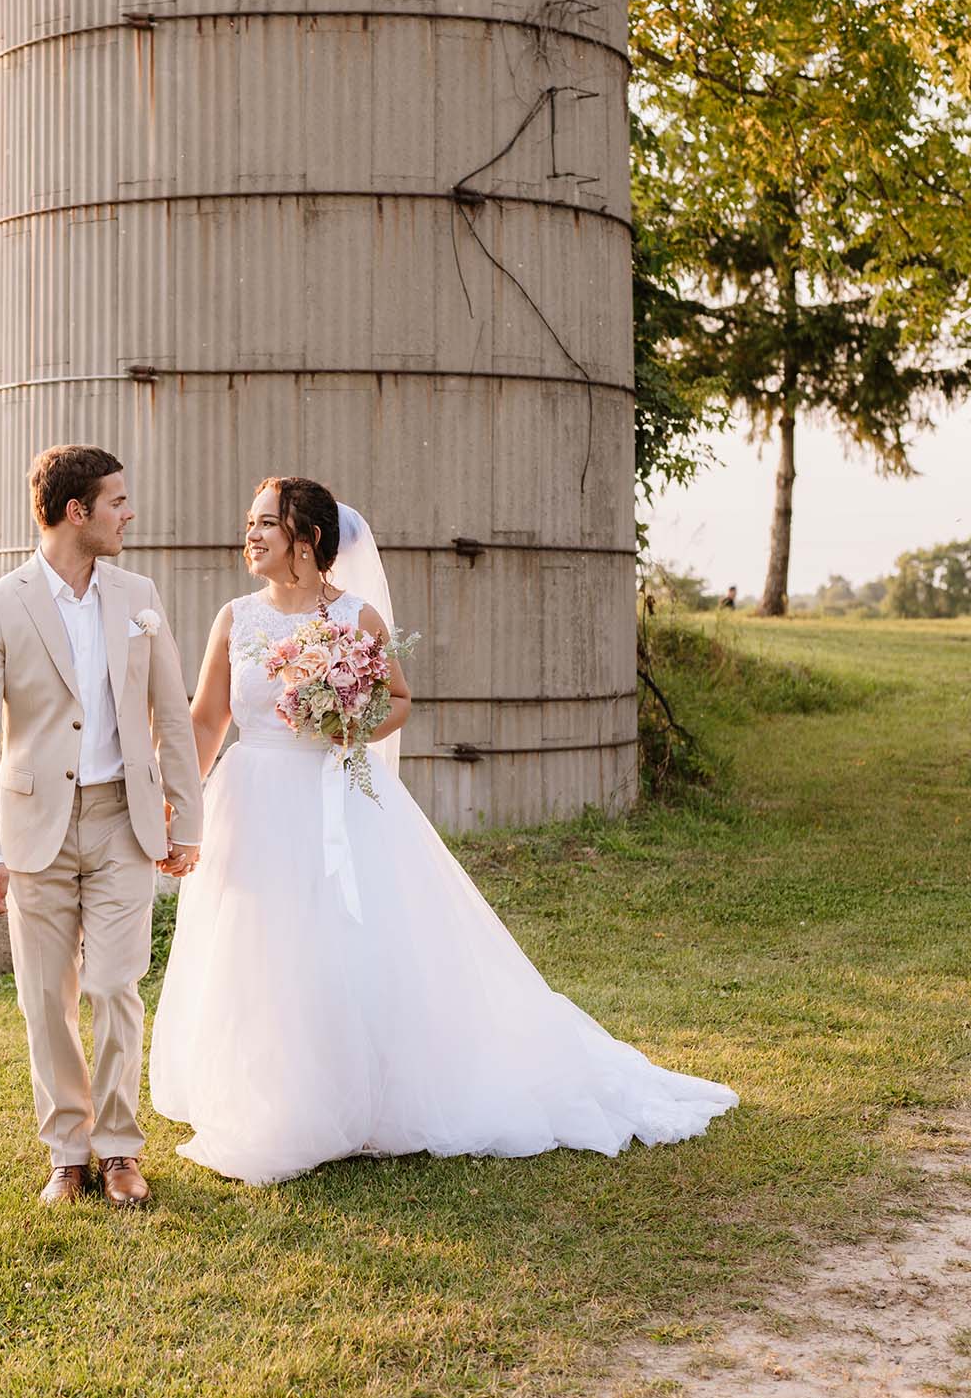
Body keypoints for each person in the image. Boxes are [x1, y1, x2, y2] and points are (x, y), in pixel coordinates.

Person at [148, 475, 738, 1185]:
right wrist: (176, 796)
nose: (249, 534)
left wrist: (344, 721)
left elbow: (397, 699)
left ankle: (353, 1095)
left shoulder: (357, 617)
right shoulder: (234, 617)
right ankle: (263, 1088)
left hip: (336, 800)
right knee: (259, 943)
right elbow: (208, 716)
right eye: (249, 521)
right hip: (253, 798)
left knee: (343, 942)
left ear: (305, 538)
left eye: (264, 523)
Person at [0, 445, 206, 1207]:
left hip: (123, 821)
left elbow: (171, 713)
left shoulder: (139, 595)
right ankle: (68, 1151)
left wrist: (185, 820)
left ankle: (121, 1148)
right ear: (76, 512)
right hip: (35, 827)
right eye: (117, 501)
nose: (128, 513)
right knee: (45, 996)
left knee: (114, 983)